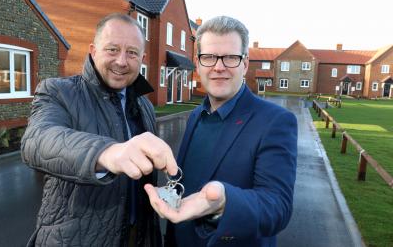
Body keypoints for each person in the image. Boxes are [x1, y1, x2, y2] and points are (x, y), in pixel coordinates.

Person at [21, 13, 177, 246]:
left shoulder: (144, 104)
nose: (122, 61)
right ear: (93, 51)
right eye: (112, 50)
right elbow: (36, 141)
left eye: (132, 53)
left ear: (142, 58)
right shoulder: (58, 91)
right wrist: (107, 152)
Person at [144, 16, 298, 246]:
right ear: (198, 63)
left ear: (245, 64)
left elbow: (277, 208)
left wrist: (224, 203)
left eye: (230, 58)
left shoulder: (275, 121)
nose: (218, 67)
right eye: (209, 57)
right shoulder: (197, 115)